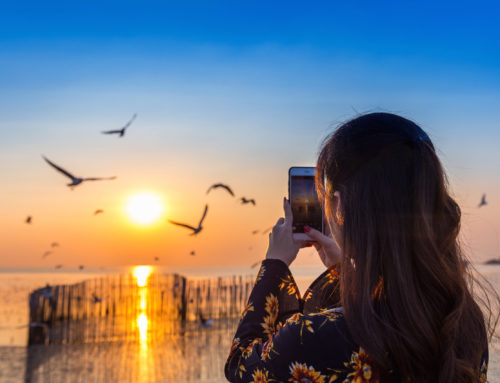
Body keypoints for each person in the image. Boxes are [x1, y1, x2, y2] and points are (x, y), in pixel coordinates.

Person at [225, 112, 494, 383]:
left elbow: (241, 368)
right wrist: (342, 272)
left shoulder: (310, 339)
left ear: (340, 204)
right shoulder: (464, 324)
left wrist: (275, 265)